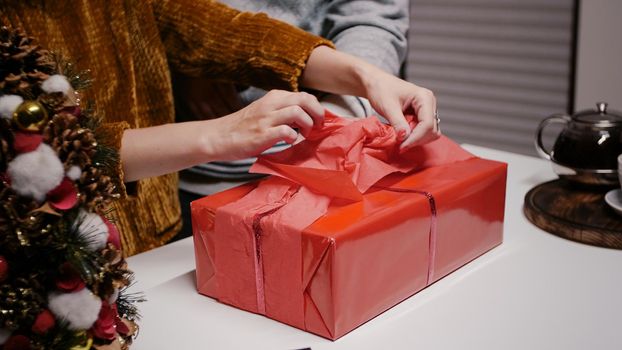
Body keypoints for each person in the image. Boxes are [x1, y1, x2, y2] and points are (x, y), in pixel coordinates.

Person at [0, 0, 439, 256]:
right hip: (42, 252)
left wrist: (364, 75)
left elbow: (198, 24)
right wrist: (221, 134)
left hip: (152, 227)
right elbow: (30, 154)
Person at [175, 0, 409, 180]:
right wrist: (185, 62)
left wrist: (360, 84)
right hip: (187, 171)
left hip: (321, 157)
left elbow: (373, 19)